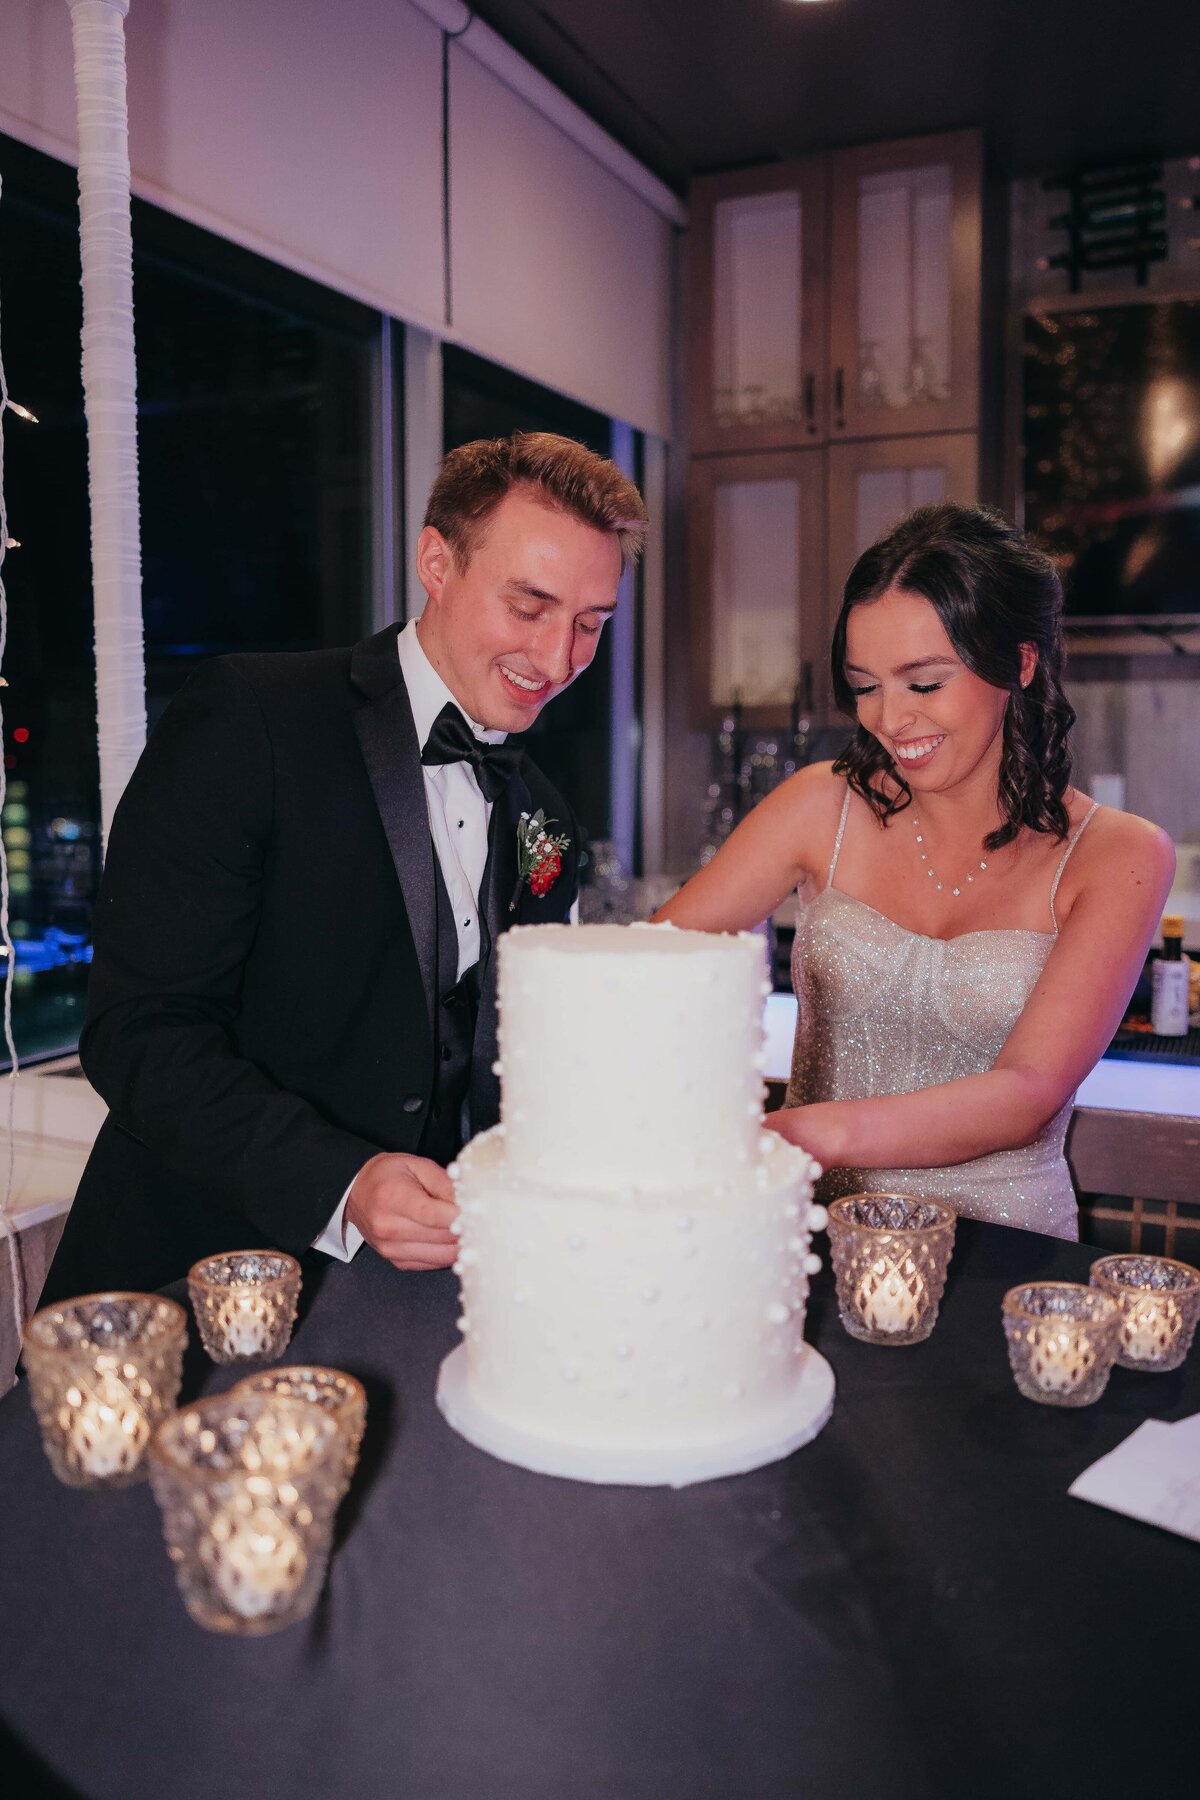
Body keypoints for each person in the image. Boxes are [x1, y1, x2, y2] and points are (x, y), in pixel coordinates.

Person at [42, 432, 647, 1302]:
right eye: (529, 607)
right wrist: (344, 1182)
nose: (559, 661)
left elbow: (511, 1051)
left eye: (590, 623)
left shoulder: (543, 810)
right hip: (188, 1287)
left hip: (411, 1299)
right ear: (436, 562)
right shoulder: (252, 719)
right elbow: (141, 1035)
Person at [656, 503, 1174, 1238]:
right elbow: (643, 967)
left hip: (1007, 1254)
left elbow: (1025, 1093)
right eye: (866, 686)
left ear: (1019, 663)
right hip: (812, 1244)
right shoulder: (819, 804)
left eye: (924, 684)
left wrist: (810, 1135)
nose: (889, 720)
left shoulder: (1120, 854)